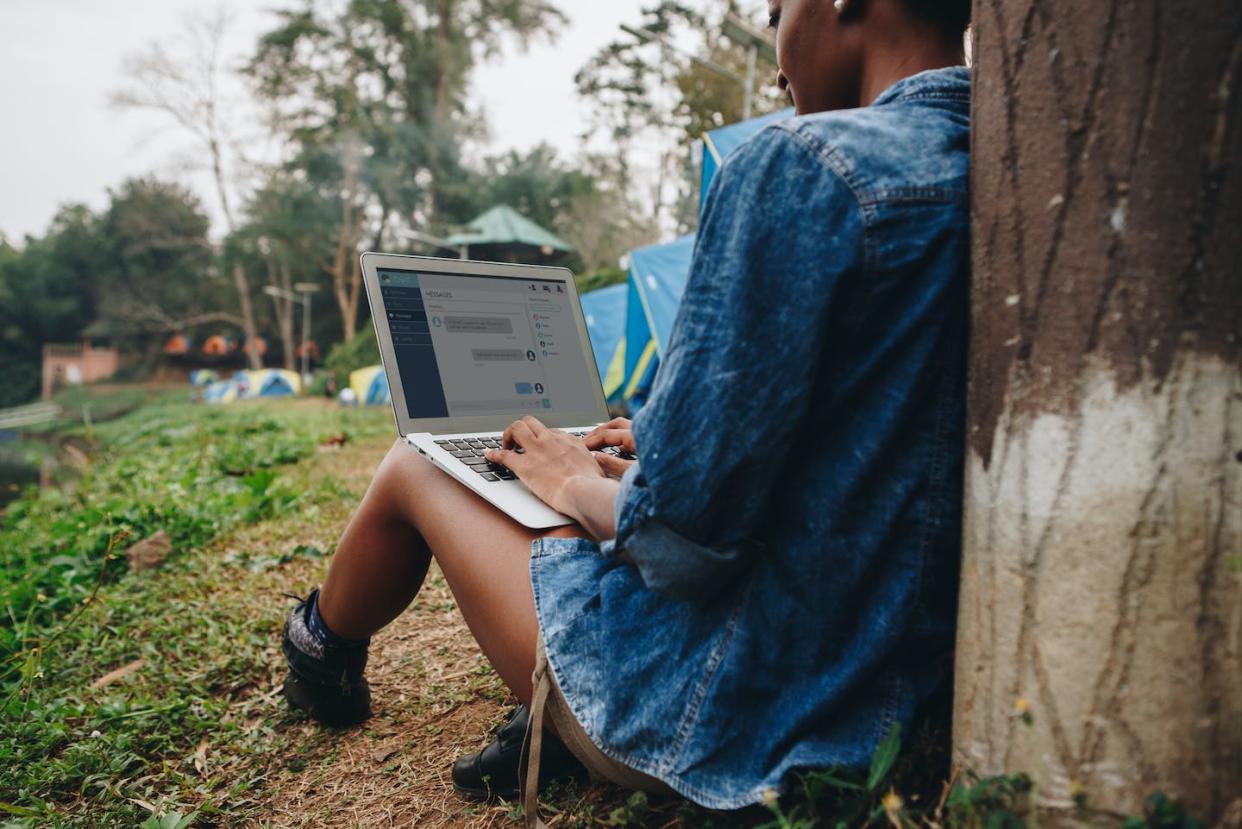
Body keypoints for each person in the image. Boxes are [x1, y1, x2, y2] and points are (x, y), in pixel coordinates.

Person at [279, 0, 973, 818]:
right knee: (577, 491)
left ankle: (319, 648)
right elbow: (882, 426)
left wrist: (573, 479)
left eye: (777, 12)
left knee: (415, 464)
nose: (780, 64)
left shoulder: (804, 165)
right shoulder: (1003, 165)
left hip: (737, 710)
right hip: (895, 686)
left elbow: (683, 545)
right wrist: (669, 442)